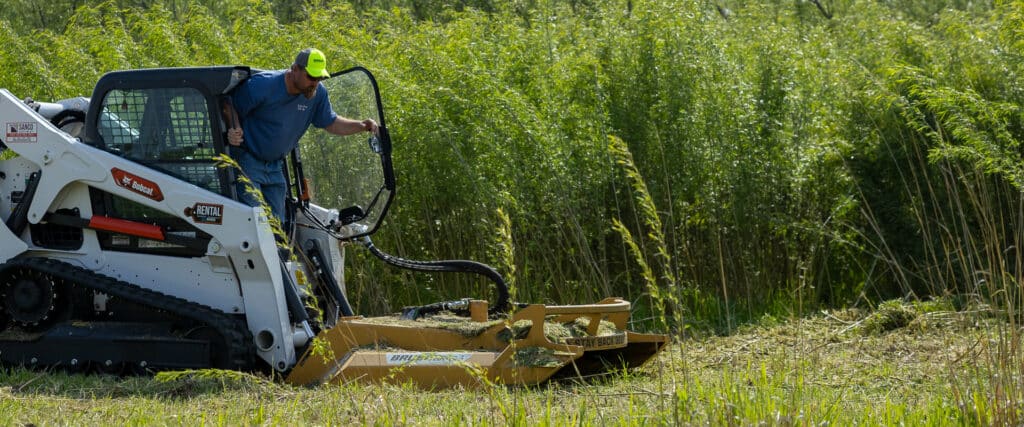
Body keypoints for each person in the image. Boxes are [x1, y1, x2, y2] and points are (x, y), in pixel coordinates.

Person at [226, 48, 378, 222]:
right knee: (256, 223)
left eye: (320, 77)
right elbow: (229, 104)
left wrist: (362, 125)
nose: (315, 83)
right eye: (311, 77)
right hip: (248, 161)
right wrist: (234, 127)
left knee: (278, 225)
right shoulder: (263, 85)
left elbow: (331, 122)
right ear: (294, 69)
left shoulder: (317, 93)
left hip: (275, 167)